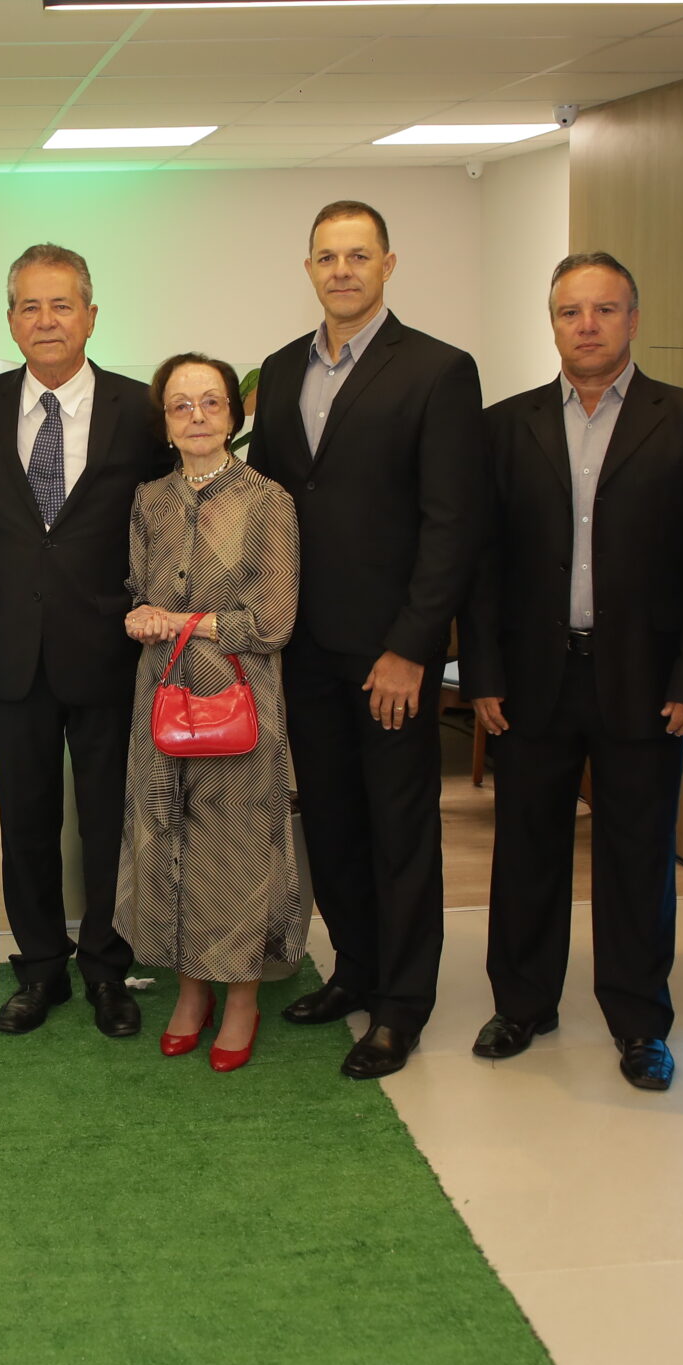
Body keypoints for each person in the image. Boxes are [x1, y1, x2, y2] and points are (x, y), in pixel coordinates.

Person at [465, 252, 683, 1092]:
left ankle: (639, 1019)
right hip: (531, 678)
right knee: (526, 848)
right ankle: (522, 1002)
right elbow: (482, 563)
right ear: (552, 322)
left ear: (633, 320)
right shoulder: (504, 425)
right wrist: (482, 673)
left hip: (647, 682)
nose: (587, 325)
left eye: (605, 309)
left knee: (638, 855)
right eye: (570, 311)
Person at [247, 200, 484, 1079]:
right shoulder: (280, 370)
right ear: (308, 268)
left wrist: (413, 646)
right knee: (334, 822)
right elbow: (270, 506)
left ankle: (402, 1004)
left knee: (399, 829)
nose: (341, 270)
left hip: (390, 654)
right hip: (303, 648)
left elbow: (451, 523)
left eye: (358, 255)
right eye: (327, 256)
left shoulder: (437, 369)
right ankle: (354, 968)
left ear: (388, 264)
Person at [0, 243, 173, 1040]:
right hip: (13, 650)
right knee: (25, 819)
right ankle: (41, 966)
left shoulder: (139, 409)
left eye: (60, 304)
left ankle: (108, 968)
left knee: (111, 820)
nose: (45, 320)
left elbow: (166, 520)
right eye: (29, 306)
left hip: (110, 650)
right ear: (11, 319)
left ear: (90, 314)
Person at [121, 354, 304, 1071]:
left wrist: (183, 622)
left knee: (235, 851)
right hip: (163, 695)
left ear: (234, 413)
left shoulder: (267, 500)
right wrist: (143, 616)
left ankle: (243, 998)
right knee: (170, 838)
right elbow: (140, 590)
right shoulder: (149, 501)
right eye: (180, 405)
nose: (196, 416)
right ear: (165, 423)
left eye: (210, 402)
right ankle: (191, 991)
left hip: (238, 695)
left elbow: (273, 621)